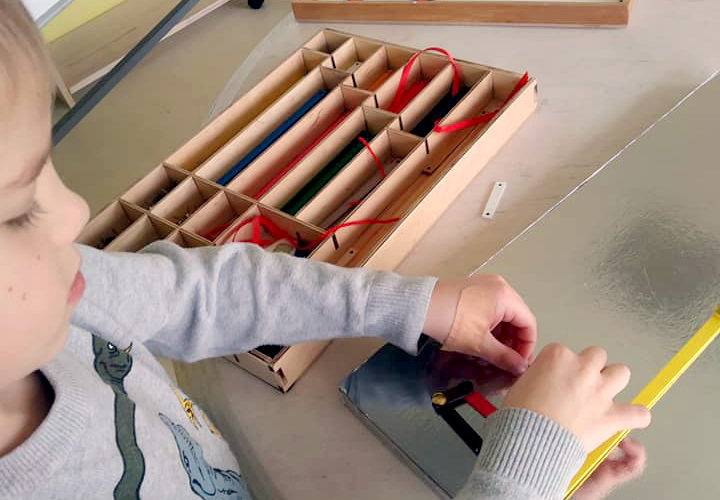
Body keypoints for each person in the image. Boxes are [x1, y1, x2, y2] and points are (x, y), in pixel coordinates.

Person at [0, 2, 650, 498]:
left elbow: (199, 292)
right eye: (17, 208)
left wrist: (411, 304)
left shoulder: (66, 302)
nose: (75, 211)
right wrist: (523, 474)